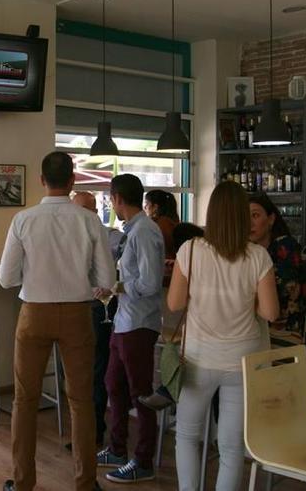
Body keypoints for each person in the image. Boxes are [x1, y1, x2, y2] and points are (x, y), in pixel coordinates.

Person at [0, 151, 115, 491]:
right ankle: (85, 482)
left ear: (40, 180)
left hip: (34, 312)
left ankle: (23, 483)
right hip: (79, 313)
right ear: (72, 180)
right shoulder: (89, 220)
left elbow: (6, 278)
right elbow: (107, 278)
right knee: (81, 401)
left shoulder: (23, 219)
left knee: (25, 399)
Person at [167, 181, 279, 491]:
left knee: (187, 437)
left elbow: (175, 303)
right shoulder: (258, 256)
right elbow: (271, 313)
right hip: (242, 364)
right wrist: (247, 297)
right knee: (231, 447)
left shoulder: (189, 250)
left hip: (199, 360)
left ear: (211, 214)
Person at [96, 175, 166, 484]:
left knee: (141, 394)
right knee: (114, 384)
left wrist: (119, 286)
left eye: (111, 198)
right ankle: (118, 448)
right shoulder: (133, 231)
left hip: (140, 322)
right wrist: (114, 289)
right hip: (124, 320)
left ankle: (143, 460)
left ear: (118, 199)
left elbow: (150, 283)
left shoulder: (145, 232)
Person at [71, 191, 123, 450]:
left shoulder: (113, 237)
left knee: (96, 371)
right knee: (79, 372)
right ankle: (84, 431)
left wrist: (111, 286)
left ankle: (94, 432)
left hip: (99, 309)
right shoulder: (67, 236)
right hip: (73, 308)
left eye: (87, 210)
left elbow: (120, 275)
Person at [137, 222, 205, 412]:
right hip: (216, 342)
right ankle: (172, 390)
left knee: (183, 347)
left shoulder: (190, 253)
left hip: (202, 339)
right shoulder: (252, 255)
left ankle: (172, 390)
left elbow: (174, 303)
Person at [249, 193, 306, 353]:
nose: (249, 223)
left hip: (289, 335)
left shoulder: (285, 247)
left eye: (255, 215)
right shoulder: (252, 251)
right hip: (265, 336)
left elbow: (285, 290)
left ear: (271, 219)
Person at [143, 189, 180, 260]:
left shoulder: (157, 225)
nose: (145, 207)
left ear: (155, 207)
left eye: (147, 204)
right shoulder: (172, 222)